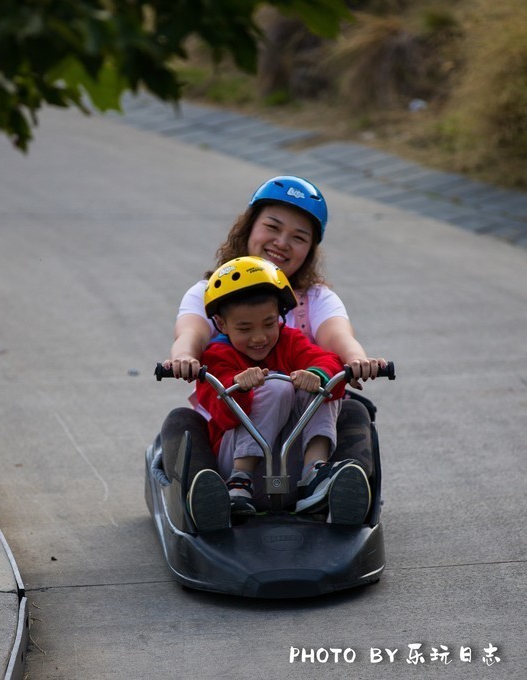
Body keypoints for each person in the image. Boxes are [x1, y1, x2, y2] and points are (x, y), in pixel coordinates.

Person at [160, 176, 385, 504]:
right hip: (234, 438)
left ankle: (341, 491)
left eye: (298, 237)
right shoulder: (213, 298)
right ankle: (206, 496)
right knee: (180, 421)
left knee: (352, 411)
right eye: (273, 227)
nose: (282, 242)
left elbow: (340, 340)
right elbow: (190, 334)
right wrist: (184, 358)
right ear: (249, 227)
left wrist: (357, 361)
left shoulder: (311, 305)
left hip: (300, 435)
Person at [184, 256, 371, 530]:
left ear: (280, 317)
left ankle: (316, 475)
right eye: (245, 328)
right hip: (235, 474)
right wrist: (239, 387)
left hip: (289, 471)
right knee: (277, 386)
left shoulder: (290, 341)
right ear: (222, 325)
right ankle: (237, 483)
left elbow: (329, 362)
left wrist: (317, 376)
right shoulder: (217, 356)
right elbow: (221, 415)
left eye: (269, 324)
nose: (259, 337)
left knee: (324, 385)